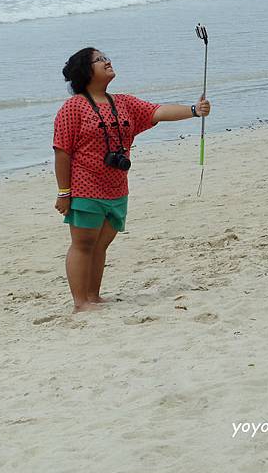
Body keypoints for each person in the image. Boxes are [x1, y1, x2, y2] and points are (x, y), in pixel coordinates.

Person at [53, 47, 211, 313]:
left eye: (106, 57)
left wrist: (195, 110)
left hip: (116, 188)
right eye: (100, 60)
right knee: (83, 244)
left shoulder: (123, 103)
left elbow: (158, 112)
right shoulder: (73, 107)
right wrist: (64, 192)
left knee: (101, 244)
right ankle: (81, 303)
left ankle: (94, 296)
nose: (107, 61)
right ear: (85, 70)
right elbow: (62, 151)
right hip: (84, 188)